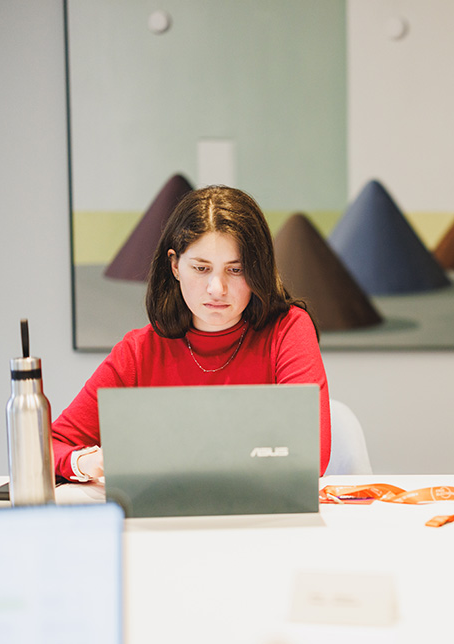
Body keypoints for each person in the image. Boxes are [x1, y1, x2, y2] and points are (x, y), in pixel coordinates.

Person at [52, 185, 332, 480]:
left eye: (235, 270)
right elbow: (52, 445)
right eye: (201, 268)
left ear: (257, 270)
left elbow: (311, 455)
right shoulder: (138, 351)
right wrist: (83, 462)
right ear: (174, 265)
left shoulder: (288, 330)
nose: (217, 288)